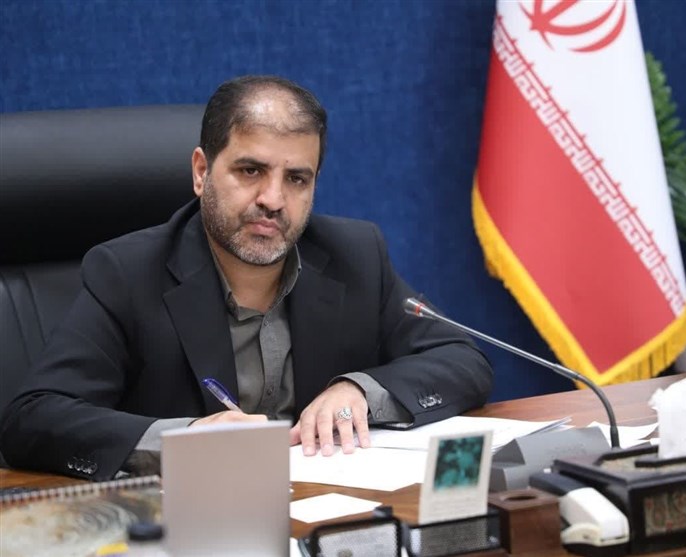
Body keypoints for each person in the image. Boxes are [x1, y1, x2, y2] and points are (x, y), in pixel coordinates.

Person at [0, 76, 493, 481]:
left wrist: (360, 391)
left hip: (322, 514)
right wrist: (182, 441)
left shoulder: (354, 255)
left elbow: (462, 360)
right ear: (201, 172)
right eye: (251, 170)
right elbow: (33, 417)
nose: (273, 199)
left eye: (296, 178)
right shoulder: (128, 273)